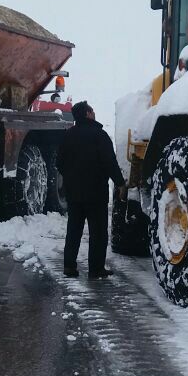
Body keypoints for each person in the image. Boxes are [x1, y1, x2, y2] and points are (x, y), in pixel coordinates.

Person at [56, 101, 126, 279]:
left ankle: (69, 267)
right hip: (96, 193)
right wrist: (120, 183)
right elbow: (109, 162)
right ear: (87, 114)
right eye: (92, 110)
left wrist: (71, 179)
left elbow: (59, 163)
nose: (94, 112)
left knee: (74, 230)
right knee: (98, 233)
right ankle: (96, 269)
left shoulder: (68, 135)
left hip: (74, 193)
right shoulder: (100, 135)